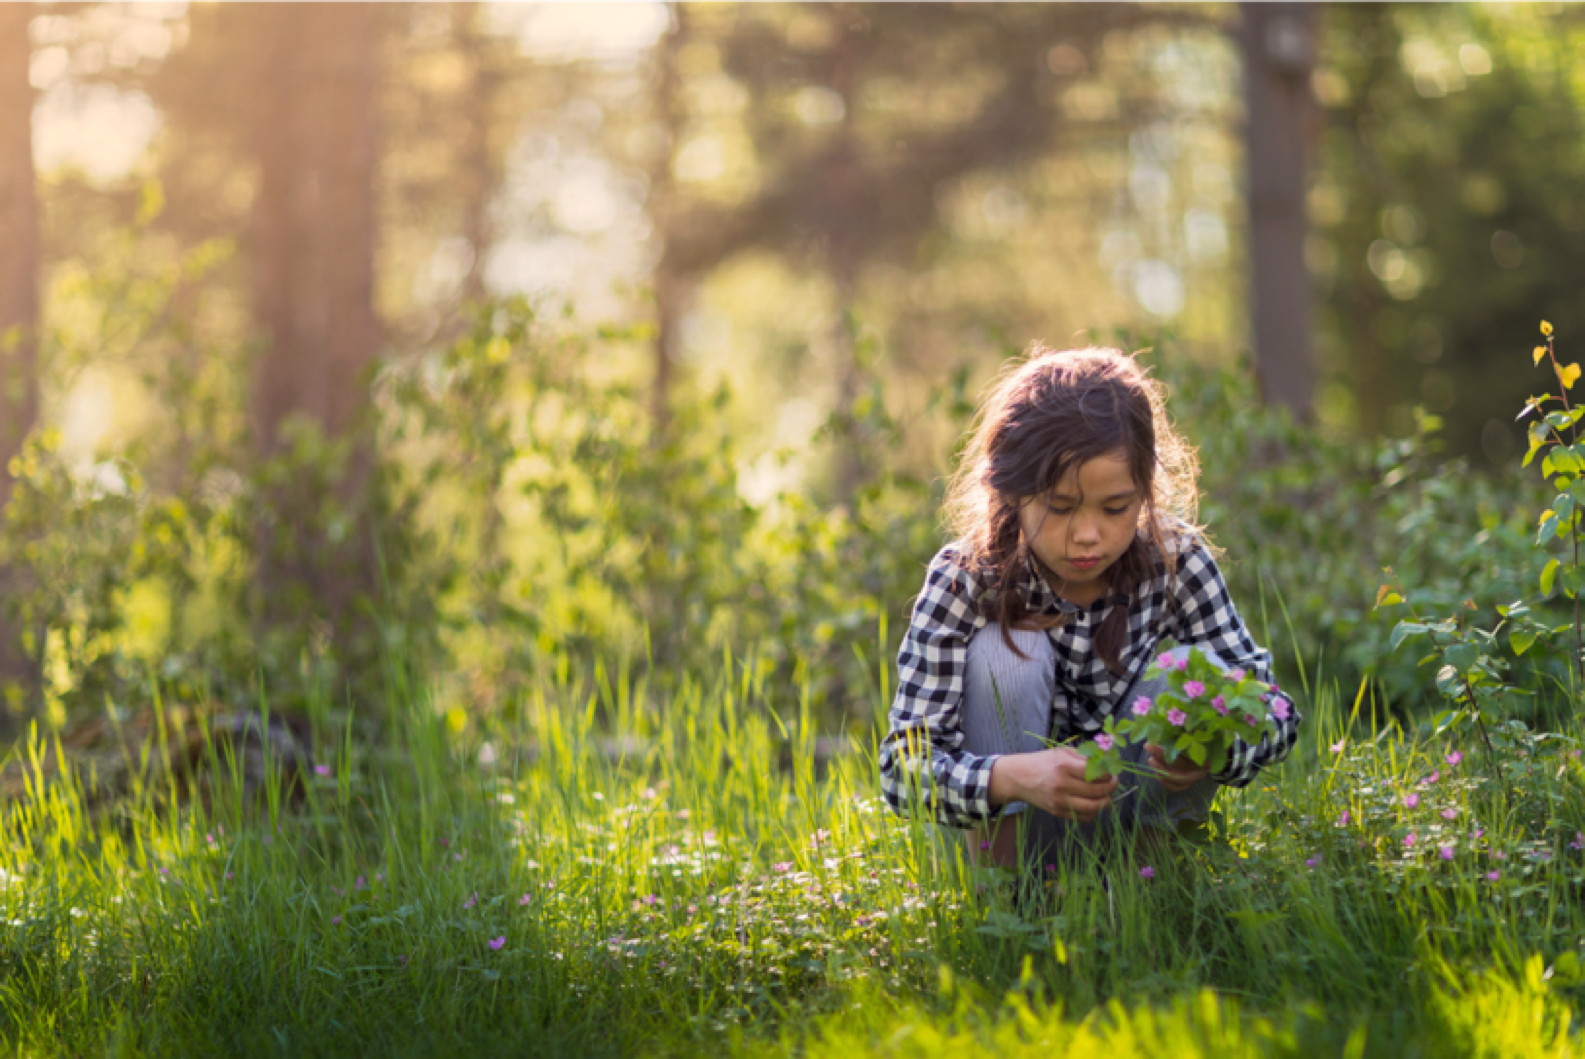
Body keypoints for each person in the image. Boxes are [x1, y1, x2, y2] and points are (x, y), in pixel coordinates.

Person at [878, 345, 1300, 870]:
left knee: (1196, 678)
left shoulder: (1176, 561)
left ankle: (1150, 896)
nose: (1088, 535)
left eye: (1116, 508)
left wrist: (1216, 750)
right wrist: (1014, 775)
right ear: (1013, 494)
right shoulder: (966, 578)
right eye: (1059, 507)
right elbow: (902, 771)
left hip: (1131, 826)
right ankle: (1010, 903)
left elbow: (1275, 712)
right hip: (1007, 820)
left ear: (1145, 491)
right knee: (1007, 654)